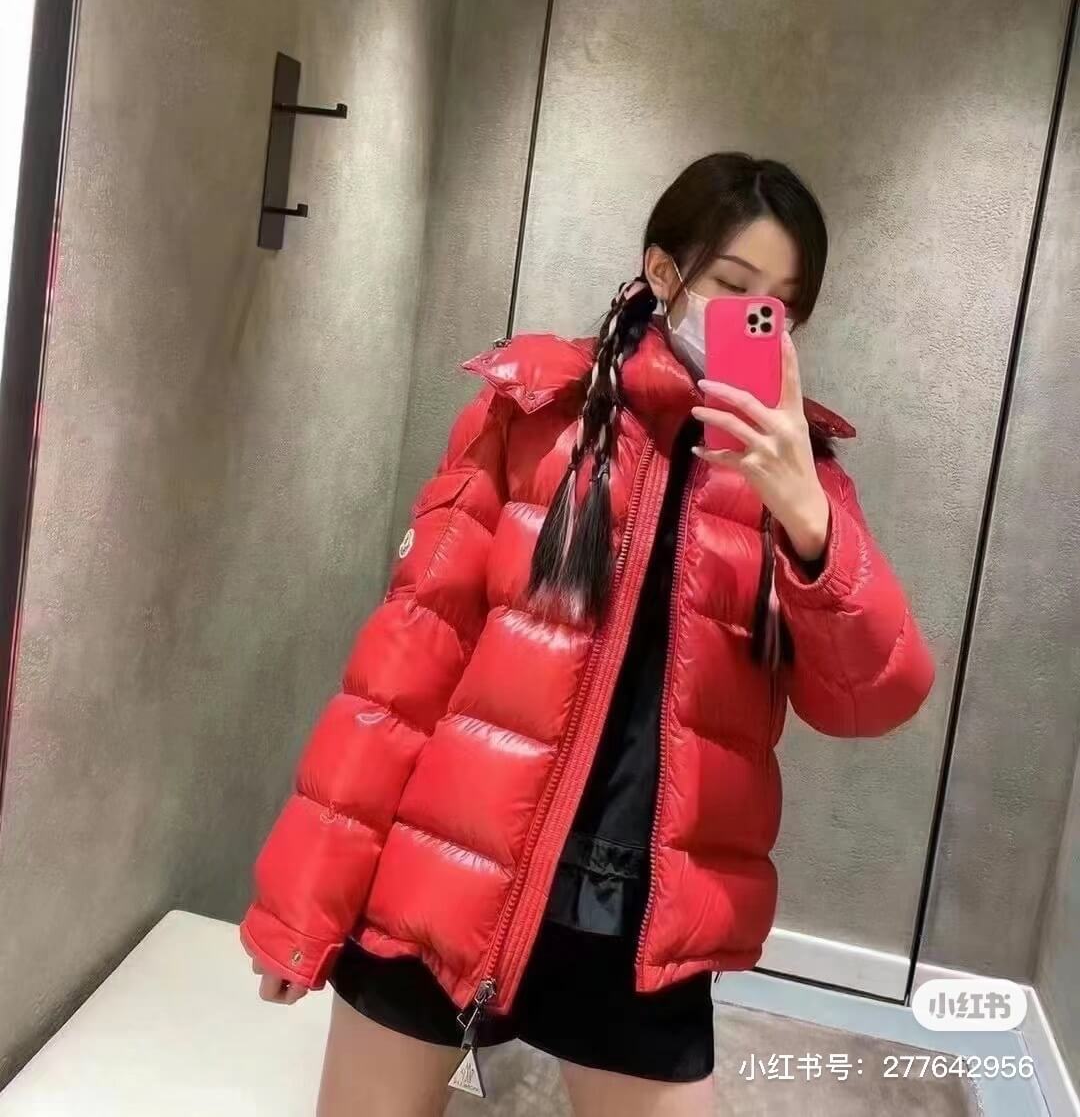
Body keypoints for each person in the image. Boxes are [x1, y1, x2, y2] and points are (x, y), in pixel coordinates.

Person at [240, 152, 935, 1117]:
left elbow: (875, 696)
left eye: (780, 306)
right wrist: (301, 906)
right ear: (664, 272)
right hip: (444, 880)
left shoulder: (800, 481)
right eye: (734, 287)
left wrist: (807, 517)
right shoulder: (537, 408)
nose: (755, 321)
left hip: (635, 924)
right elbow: (402, 669)